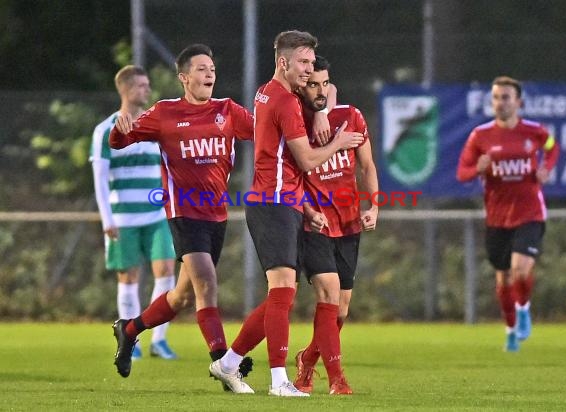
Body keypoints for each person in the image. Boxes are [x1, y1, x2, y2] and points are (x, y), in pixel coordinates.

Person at [208, 30, 364, 396]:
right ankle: (279, 380)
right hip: (272, 204)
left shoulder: (267, 91)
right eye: (304, 63)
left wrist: (305, 206)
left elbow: (326, 96)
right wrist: (340, 141)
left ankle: (228, 363)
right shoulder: (285, 102)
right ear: (284, 63)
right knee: (282, 293)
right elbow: (307, 159)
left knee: (283, 294)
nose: (309, 71)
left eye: (312, 63)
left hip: (285, 203)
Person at [108, 44, 255, 387]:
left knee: (182, 296)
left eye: (212, 70)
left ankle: (128, 330)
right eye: (202, 69)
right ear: (184, 78)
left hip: (216, 215)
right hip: (183, 211)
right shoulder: (165, 113)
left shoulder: (228, 111)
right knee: (206, 282)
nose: (209, 75)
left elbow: (267, 134)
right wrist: (120, 128)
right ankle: (223, 362)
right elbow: (119, 141)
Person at [293, 55, 378, 395]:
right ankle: (337, 379)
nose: (321, 90)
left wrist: (374, 206)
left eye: (325, 83)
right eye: (313, 83)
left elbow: (368, 165)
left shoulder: (351, 116)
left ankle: (306, 360)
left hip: (349, 222)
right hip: (314, 223)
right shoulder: (295, 122)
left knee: (340, 311)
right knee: (328, 294)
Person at [457, 76, 559, 352]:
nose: (500, 102)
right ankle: (511, 328)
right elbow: (462, 172)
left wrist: (546, 167)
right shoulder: (480, 136)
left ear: (518, 102)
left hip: (530, 213)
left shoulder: (534, 132)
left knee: (520, 269)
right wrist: (478, 168)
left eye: (506, 97)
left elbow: (552, 147)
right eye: (496, 97)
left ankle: (524, 307)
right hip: (497, 218)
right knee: (503, 279)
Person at [90, 65, 178, 362]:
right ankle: (131, 339)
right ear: (125, 89)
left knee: (166, 271)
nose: (147, 90)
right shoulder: (105, 130)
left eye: (147, 84)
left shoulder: (153, 126)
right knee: (129, 276)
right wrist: (107, 219)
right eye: (141, 85)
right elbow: (100, 177)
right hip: (123, 218)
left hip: (156, 216)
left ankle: (159, 340)